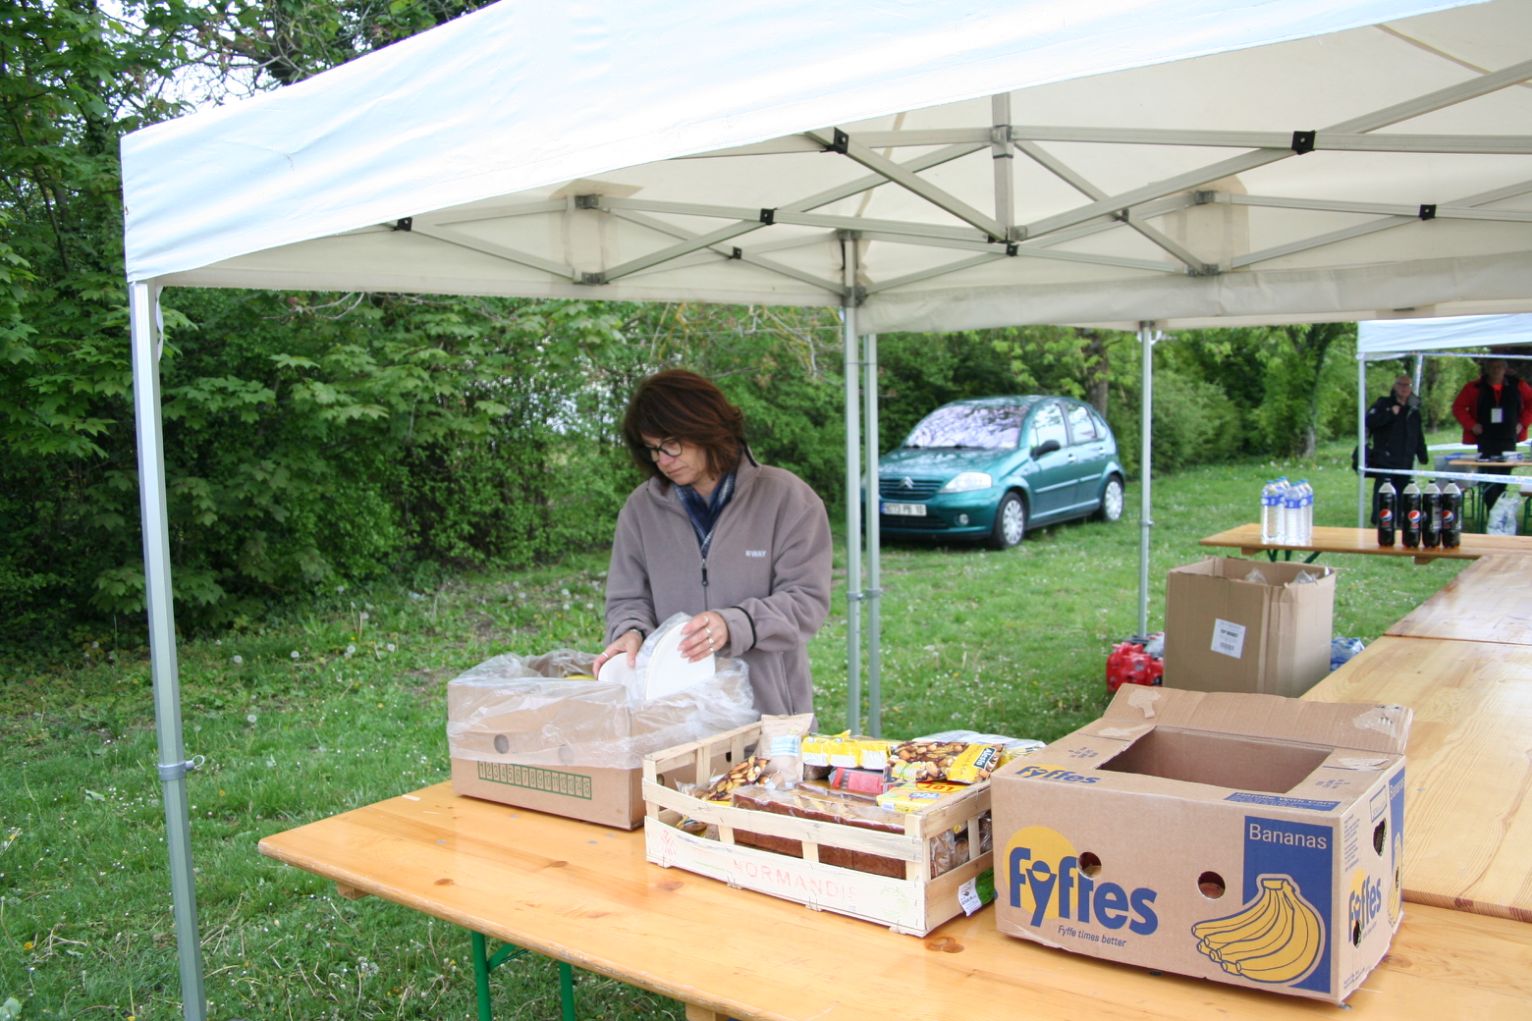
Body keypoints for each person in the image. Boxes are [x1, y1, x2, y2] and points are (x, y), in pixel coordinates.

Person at [592, 370, 832, 716]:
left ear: (706, 427)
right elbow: (628, 598)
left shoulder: (789, 500)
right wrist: (630, 631)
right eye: (653, 449)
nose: (662, 460)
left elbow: (806, 602)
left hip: (769, 715)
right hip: (675, 717)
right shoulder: (640, 510)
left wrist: (734, 624)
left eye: (671, 444)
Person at [1451, 355, 1532, 513]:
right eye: (1492, 367)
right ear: (1487, 369)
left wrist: (1522, 423)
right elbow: (1458, 407)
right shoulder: (1474, 387)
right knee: (1488, 477)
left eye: (1499, 367)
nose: (1496, 370)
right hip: (1486, 440)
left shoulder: (1518, 385)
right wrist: (1472, 425)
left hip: (1509, 439)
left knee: (1503, 478)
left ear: (1505, 369)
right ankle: (1492, 511)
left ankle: (1499, 512)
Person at [1363, 374, 1428, 520]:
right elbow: (1369, 422)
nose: (1404, 388)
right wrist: (1390, 414)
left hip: (1406, 459)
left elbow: (1418, 433)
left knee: (1403, 491)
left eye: (1408, 385)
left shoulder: (1414, 409)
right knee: (1384, 492)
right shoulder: (1383, 404)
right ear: (1395, 386)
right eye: (1401, 385)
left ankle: (1399, 519)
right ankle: (1380, 519)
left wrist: (1422, 453)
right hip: (1385, 459)